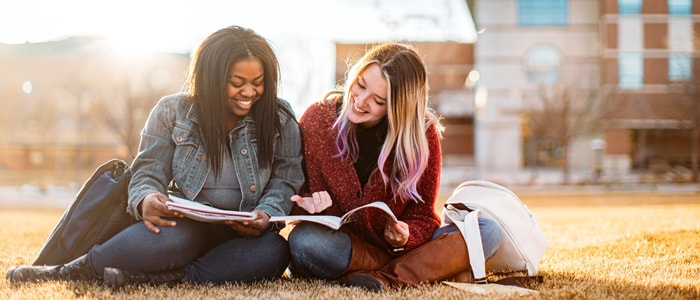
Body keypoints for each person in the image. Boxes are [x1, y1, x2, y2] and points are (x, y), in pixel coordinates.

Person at [7, 25, 304, 287]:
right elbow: (148, 170)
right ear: (211, 78)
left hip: (245, 236)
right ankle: (71, 270)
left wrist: (265, 214)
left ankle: (169, 278)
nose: (249, 92)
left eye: (258, 82)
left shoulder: (280, 117)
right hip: (188, 225)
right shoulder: (172, 112)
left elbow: (287, 178)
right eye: (237, 82)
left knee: (274, 251)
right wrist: (146, 198)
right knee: (173, 237)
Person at [286, 43, 503, 291]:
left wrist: (406, 236)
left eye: (378, 100)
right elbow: (295, 197)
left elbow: (422, 214)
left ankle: (383, 278)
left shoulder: (421, 134)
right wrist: (308, 204)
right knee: (305, 241)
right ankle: (417, 271)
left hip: (397, 249)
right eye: (360, 85)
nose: (360, 101)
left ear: (398, 108)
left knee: (488, 231)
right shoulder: (316, 119)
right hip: (342, 246)